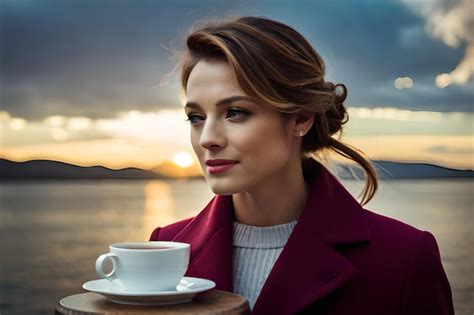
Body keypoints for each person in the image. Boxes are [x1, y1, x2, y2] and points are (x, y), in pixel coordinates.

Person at [149, 16, 454, 314]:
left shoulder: (404, 258)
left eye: (235, 112)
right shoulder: (164, 248)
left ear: (301, 118)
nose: (208, 139)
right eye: (196, 117)